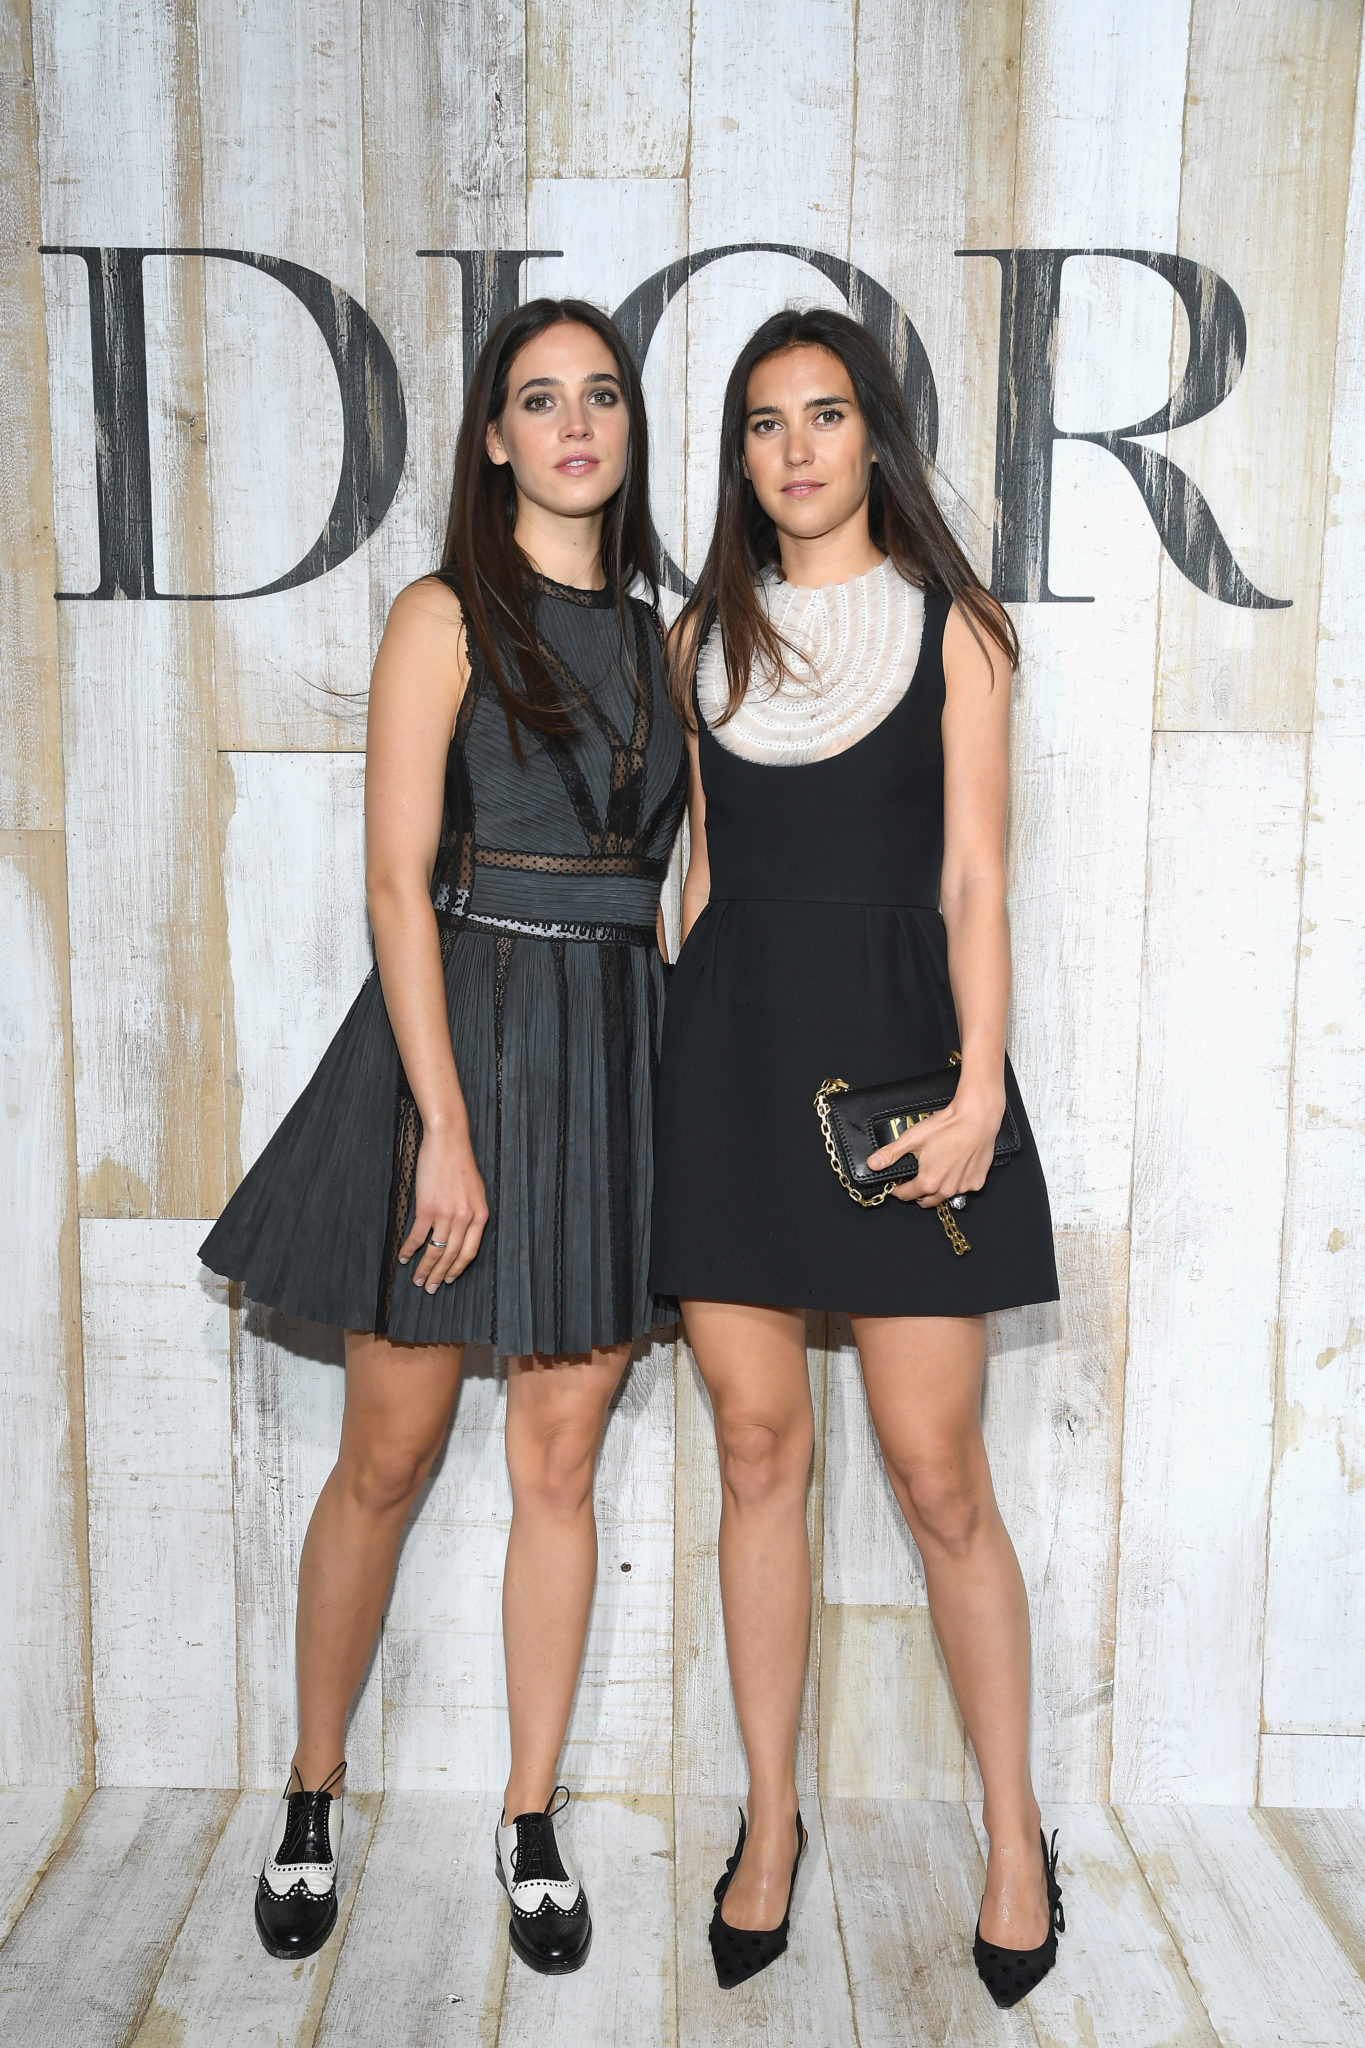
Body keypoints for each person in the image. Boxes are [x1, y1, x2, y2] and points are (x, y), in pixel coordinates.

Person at [201, 298, 686, 1976]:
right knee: (387, 1458)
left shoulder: (669, 644)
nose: (575, 423)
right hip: (455, 1051)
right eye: (538, 399)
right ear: (492, 439)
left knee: (560, 1466)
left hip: (613, 1056)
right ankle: (311, 1789)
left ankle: (528, 1815)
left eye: (599, 395)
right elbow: (395, 887)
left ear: (628, 427)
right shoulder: (442, 615)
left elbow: (681, 900)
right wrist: (446, 1132)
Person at [650, 306, 1065, 2006]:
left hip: (904, 1077)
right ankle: (769, 1821)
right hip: (731, 1074)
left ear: (873, 435)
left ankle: (1015, 1835)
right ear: (739, 455)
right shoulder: (699, 634)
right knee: (757, 1451)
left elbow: (973, 877)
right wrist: (674, 1082)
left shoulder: (957, 627)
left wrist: (977, 1095)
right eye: (764, 423)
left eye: (824, 415)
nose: (795, 449)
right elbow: (696, 881)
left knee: (935, 1470)